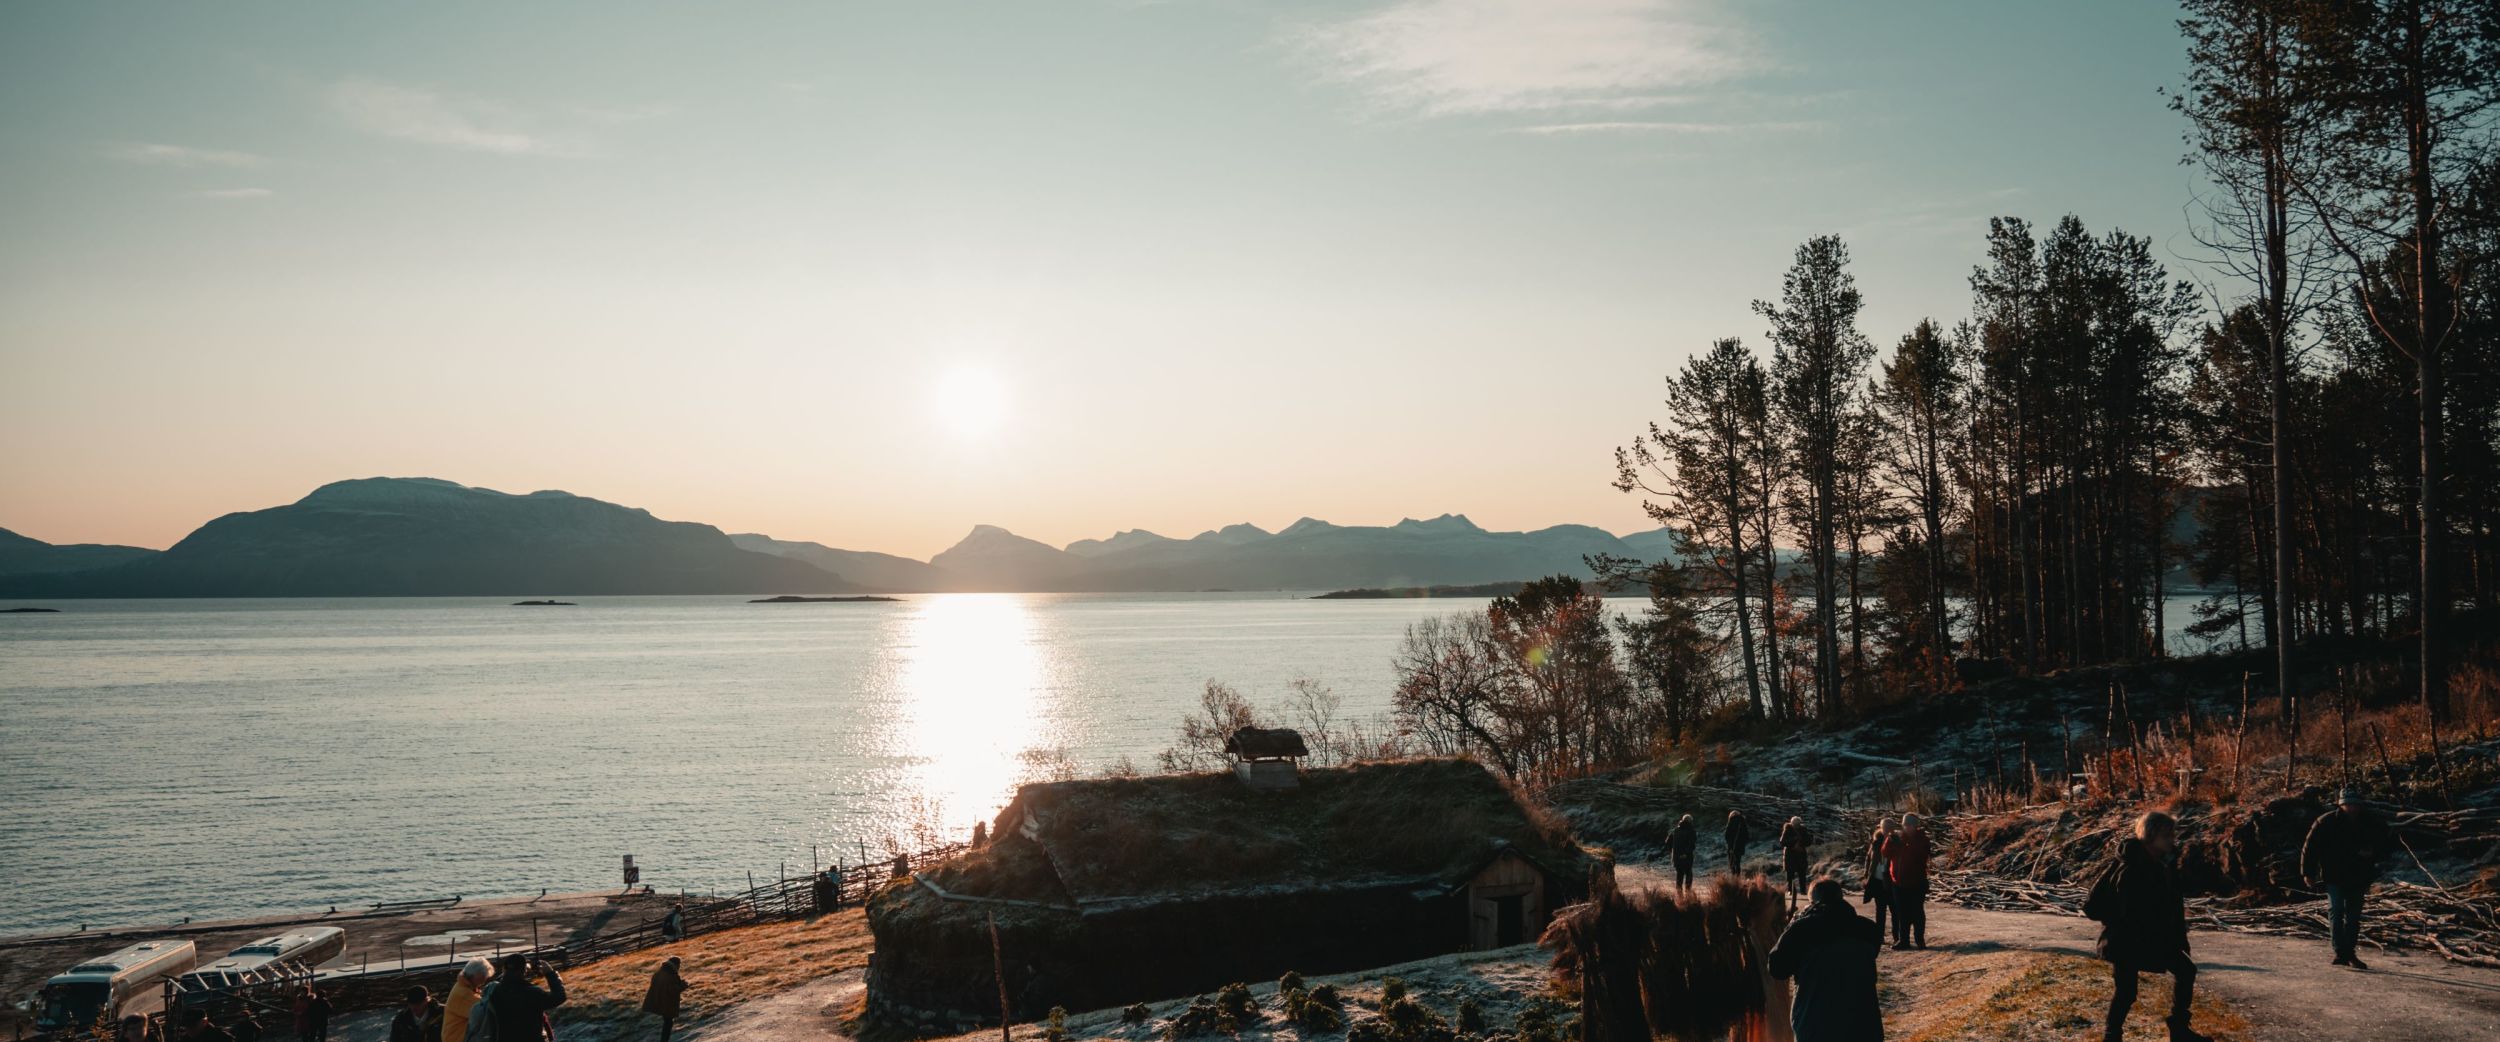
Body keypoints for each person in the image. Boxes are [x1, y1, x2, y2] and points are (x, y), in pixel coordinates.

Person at [2089, 812, 2209, 1042]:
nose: (2172, 839)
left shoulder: (2162, 863)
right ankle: (2112, 1036)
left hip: (2152, 937)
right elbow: (2129, 909)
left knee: (2184, 972)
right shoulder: (2132, 867)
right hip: (2128, 940)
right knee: (2126, 992)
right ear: (2151, 836)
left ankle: (2179, 1029)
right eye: (2166, 835)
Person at [1767, 877, 1884, 1042]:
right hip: (1864, 1025)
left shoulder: (1801, 930)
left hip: (1816, 1026)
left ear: (1812, 902)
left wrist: (1791, 926)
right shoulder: (1867, 929)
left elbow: (1777, 968)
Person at [2300, 787, 2390, 968]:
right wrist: (2307, 873)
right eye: (2348, 804)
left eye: (2355, 804)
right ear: (2341, 804)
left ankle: (2349, 953)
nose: (2352, 808)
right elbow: (2310, 849)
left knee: (2353, 917)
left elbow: (2386, 843)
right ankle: (2340, 952)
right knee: (2336, 910)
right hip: (2334, 875)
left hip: (2359, 875)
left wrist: (2372, 853)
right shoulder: (2325, 822)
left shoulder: (2371, 822)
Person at [487, 955, 567, 1042]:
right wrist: (550, 974)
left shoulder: (494, 991)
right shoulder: (532, 993)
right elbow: (559, 997)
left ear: (504, 969)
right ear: (524, 970)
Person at [1882, 813, 1931, 950]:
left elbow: (1920, 855)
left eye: (1910, 825)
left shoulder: (1922, 839)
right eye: (1905, 825)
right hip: (1898, 882)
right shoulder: (1898, 837)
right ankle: (1904, 941)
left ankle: (1919, 940)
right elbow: (1885, 853)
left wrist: (1902, 846)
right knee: (1902, 912)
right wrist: (1889, 841)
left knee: (1917, 912)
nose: (1907, 828)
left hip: (1917, 881)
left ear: (1916, 826)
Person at [442, 959, 492, 1042]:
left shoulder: (464, 986)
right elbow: (484, 1011)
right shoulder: (463, 993)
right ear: (475, 975)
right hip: (458, 1038)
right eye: (483, 977)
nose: (484, 981)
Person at [641, 957, 688, 1042]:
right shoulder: (670, 975)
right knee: (668, 1022)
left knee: (667, 1021)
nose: (679, 966)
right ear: (676, 965)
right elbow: (672, 990)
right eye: (679, 965)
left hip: (659, 1000)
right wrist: (683, 985)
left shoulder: (660, 972)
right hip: (666, 1002)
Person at [1862, 818, 1894, 940]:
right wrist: (1866, 874)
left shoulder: (1896, 842)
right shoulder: (1876, 842)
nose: (1886, 830)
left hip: (1891, 881)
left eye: (1889, 828)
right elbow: (1868, 859)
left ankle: (1897, 937)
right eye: (1884, 827)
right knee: (1880, 910)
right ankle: (1879, 937)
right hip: (1877, 880)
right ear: (1881, 828)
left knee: (1894, 910)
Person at [1780, 815, 1814, 908]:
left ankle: (1803, 890)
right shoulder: (1787, 830)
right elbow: (1783, 842)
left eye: (1798, 824)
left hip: (1800, 855)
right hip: (1790, 855)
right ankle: (1790, 890)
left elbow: (1809, 841)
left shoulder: (1803, 830)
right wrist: (1794, 841)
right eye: (1795, 824)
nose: (1796, 825)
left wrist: (1802, 841)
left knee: (1802, 873)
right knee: (1790, 875)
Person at [1667, 814, 1699, 891]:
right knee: (1688, 874)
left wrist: (1672, 851)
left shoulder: (1675, 830)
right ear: (1690, 821)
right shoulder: (1691, 831)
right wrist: (1686, 853)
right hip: (1687, 857)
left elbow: (1667, 842)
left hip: (1677, 857)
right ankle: (1688, 894)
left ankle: (1679, 896)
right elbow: (1691, 844)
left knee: (1679, 875)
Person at [1725, 809, 1753, 874]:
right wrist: (1743, 843)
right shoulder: (1742, 822)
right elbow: (1747, 835)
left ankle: (1733, 877)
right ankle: (1738, 877)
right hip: (1740, 846)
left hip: (1731, 846)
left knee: (1731, 862)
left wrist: (1729, 843)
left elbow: (1726, 835)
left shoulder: (1731, 821)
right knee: (1738, 862)